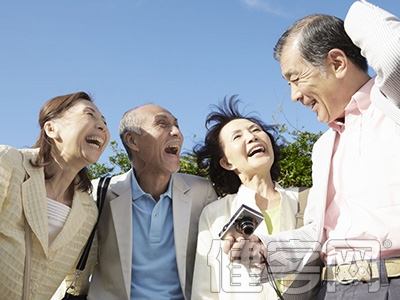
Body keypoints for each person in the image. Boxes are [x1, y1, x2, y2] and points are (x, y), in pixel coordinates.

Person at [224, 1, 400, 299]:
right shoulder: (323, 147)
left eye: (295, 78)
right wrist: (265, 248)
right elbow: (318, 235)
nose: (293, 95)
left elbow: (392, 50)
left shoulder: (392, 104)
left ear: (337, 63)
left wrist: (355, 7)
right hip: (329, 289)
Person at [81, 104, 217, 300]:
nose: (177, 132)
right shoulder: (100, 193)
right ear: (132, 141)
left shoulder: (201, 191)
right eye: (162, 124)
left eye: (177, 126)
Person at [191, 95, 308, 299]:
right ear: (227, 163)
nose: (252, 137)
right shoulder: (216, 214)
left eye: (256, 130)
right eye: (237, 137)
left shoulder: (306, 200)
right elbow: (205, 287)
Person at [0, 91, 110, 299]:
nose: (102, 126)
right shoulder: (7, 164)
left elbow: (76, 284)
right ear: (51, 128)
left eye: (104, 121)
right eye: (89, 114)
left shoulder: (87, 212)